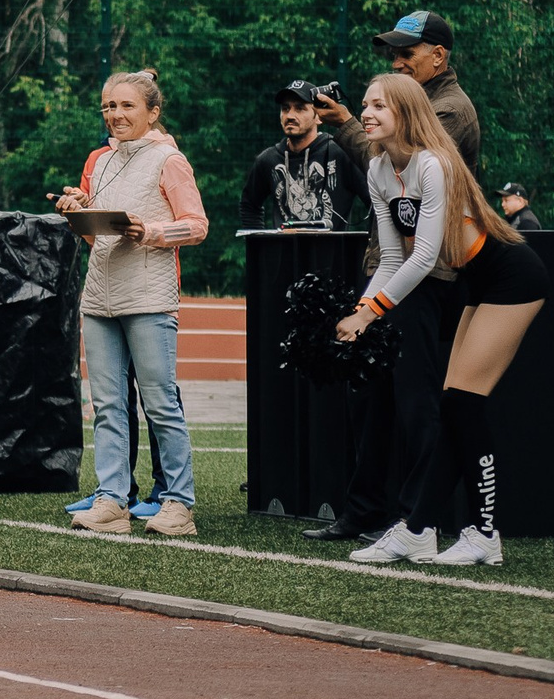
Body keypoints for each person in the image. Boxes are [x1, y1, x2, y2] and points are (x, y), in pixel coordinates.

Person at [334, 74, 544, 566]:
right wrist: (360, 310)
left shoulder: (435, 163)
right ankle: (419, 530)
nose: (365, 113)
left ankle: (483, 533)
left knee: (463, 403)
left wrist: (368, 314)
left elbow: (425, 256)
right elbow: (391, 257)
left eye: (379, 105)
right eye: (364, 104)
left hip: (512, 277)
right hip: (476, 284)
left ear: (406, 111)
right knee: (454, 406)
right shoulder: (379, 168)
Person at [56, 70, 209, 537]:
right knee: (107, 406)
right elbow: (96, 235)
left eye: (126, 106)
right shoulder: (102, 160)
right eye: (109, 106)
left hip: (148, 297)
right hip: (99, 297)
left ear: (152, 112)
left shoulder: (169, 160)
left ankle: (178, 504)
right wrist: (78, 209)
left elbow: (197, 226)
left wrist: (152, 231)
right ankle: (112, 501)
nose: (115, 114)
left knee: (160, 404)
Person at [316, 10, 480, 175]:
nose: (396, 65)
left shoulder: (449, 110)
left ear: (437, 56)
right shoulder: (414, 100)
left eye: (407, 54)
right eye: (395, 55)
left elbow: (400, 170)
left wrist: (345, 123)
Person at [239, 80, 359, 231]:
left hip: (331, 246)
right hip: (284, 246)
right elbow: (249, 205)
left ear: (319, 117)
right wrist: (260, 242)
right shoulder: (268, 159)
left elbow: (375, 200)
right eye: (285, 108)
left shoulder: (340, 154)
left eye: (300, 108)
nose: (290, 115)